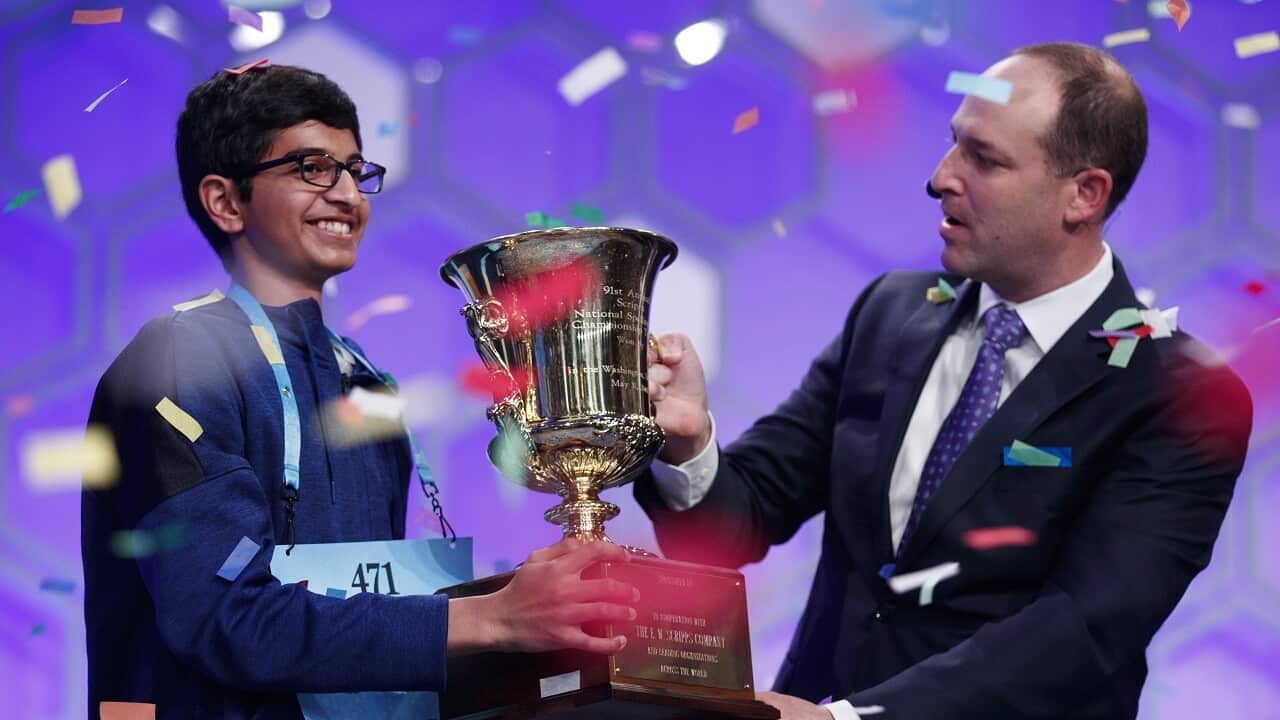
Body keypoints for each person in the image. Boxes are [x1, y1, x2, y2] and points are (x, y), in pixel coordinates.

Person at [640, 42, 1251, 720]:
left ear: (1084, 194)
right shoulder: (890, 313)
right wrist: (688, 446)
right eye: (953, 144)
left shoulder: (1183, 397)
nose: (939, 178)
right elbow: (739, 522)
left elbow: (1081, 632)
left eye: (984, 159)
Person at [81, 64, 637, 719]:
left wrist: (536, 596)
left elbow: (364, 606)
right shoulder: (172, 365)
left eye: (355, 169)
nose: (348, 194)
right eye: (312, 168)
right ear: (225, 201)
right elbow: (221, 616)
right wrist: (495, 618)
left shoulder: (367, 385)